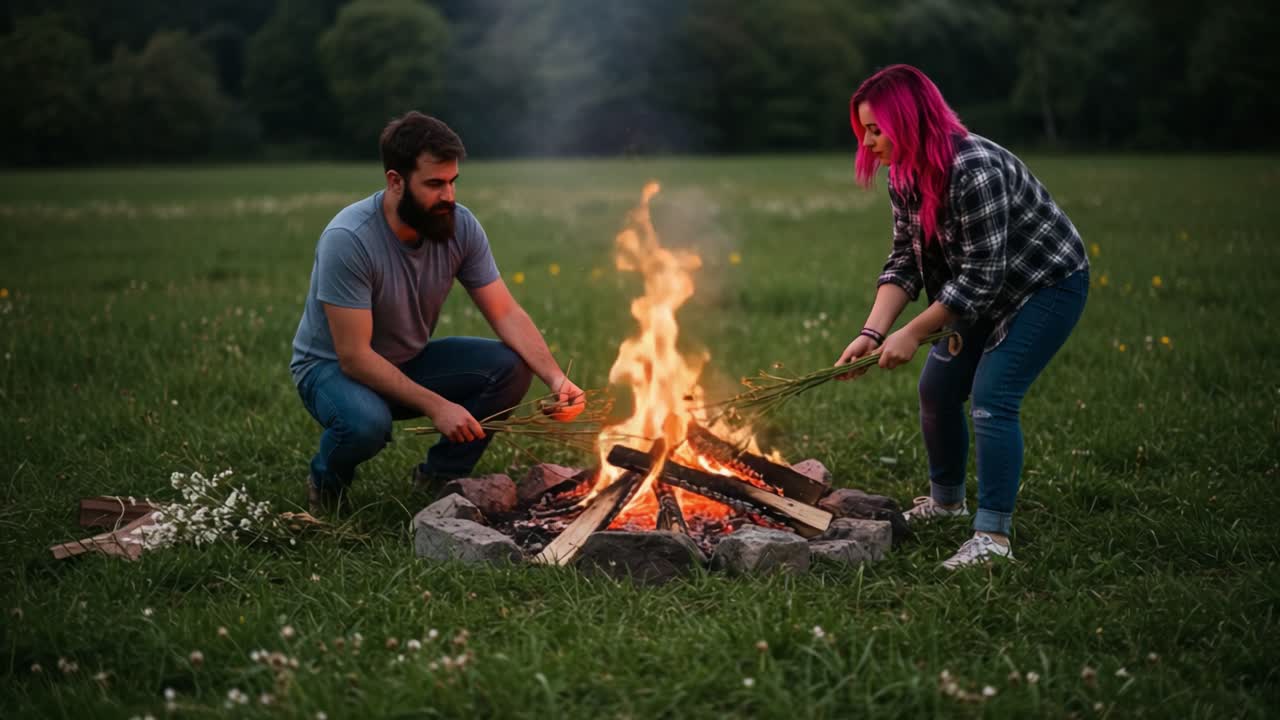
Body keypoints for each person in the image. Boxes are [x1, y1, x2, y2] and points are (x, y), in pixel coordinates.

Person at [834, 65, 1088, 569]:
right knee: (938, 390)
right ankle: (948, 504)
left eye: (877, 129)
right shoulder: (904, 172)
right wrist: (873, 331)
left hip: (1044, 285)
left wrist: (911, 332)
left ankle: (993, 540)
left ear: (909, 121)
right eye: (864, 129)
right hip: (977, 288)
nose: (869, 141)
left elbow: (980, 280)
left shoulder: (973, 169)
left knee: (993, 398)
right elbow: (905, 260)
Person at [290, 111, 584, 514]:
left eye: (452, 182)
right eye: (434, 184)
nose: (448, 196)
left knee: (510, 367)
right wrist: (437, 405)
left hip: (407, 361)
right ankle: (325, 480)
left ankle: (439, 475)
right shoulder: (349, 239)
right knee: (365, 426)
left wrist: (556, 377)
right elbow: (354, 357)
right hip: (332, 371)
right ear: (395, 181)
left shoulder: (459, 226)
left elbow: (505, 311)